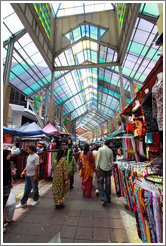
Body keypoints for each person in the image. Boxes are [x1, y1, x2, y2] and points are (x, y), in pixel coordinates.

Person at [96, 139, 113, 206]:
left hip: (101, 169)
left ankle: (103, 198)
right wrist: (111, 169)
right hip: (108, 169)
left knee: (100, 183)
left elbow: (98, 158)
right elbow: (112, 161)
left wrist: (97, 166)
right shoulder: (110, 151)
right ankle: (108, 198)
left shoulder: (100, 149)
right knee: (108, 184)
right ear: (108, 144)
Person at [3, 149, 12, 234]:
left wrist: (11, 182)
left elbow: (9, 175)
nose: (10, 155)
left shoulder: (7, 164)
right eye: (9, 154)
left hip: (7, 186)